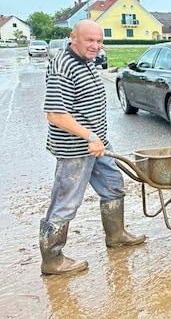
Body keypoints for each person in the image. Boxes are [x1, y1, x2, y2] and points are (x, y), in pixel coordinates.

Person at [40, 19, 146, 275]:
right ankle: (52, 260)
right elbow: (55, 114)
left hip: (96, 144)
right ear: (73, 37)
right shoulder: (63, 65)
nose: (96, 46)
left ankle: (116, 235)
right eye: (89, 40)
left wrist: (95, 138)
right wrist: (89, 137)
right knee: (65, 202)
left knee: (113, 185)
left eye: (99, 41)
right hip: (75, 149)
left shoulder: (85, 62)